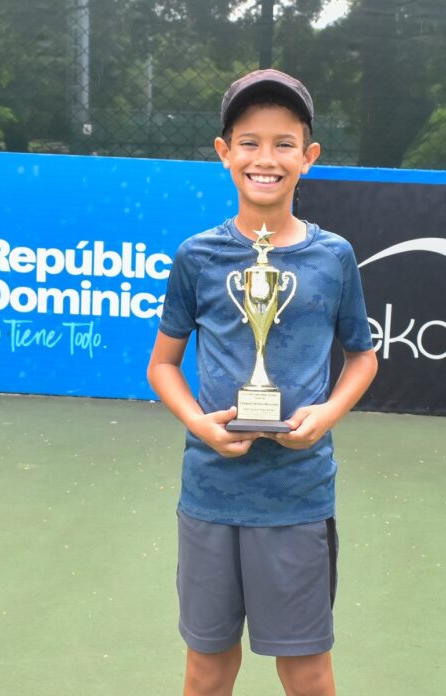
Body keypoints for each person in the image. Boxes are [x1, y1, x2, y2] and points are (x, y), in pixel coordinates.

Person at [147, 69, 378, 696]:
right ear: (224, 153)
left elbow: (362, 358)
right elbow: (162, 364)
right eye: (249, 142)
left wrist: (325, 414)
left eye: (284, 143)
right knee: (207, 669)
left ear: (309, 156)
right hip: (211, 493)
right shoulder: (197, 256)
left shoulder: (334, 256)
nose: (265, 158)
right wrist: (199, 423)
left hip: (298, 496)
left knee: (306, 671)